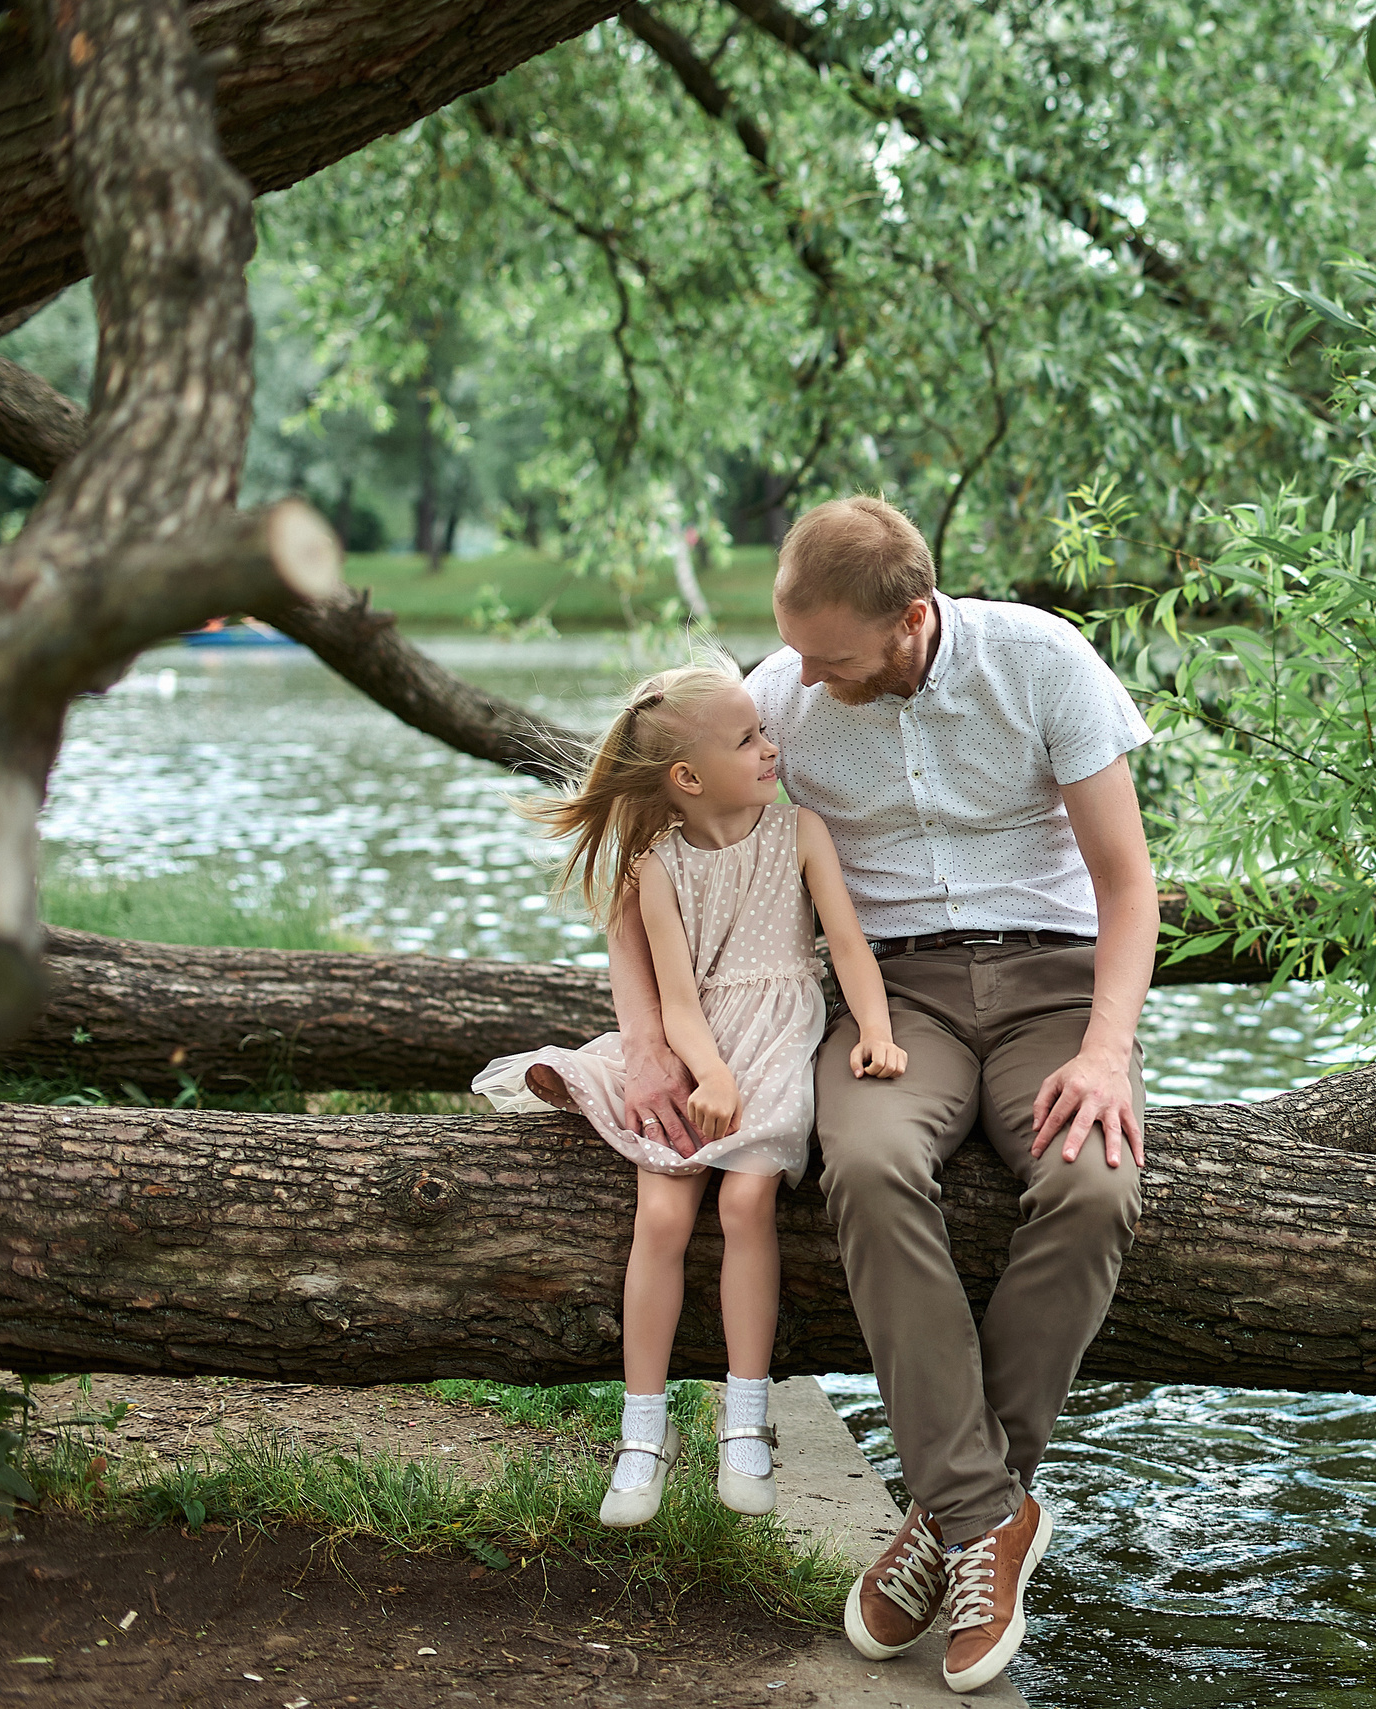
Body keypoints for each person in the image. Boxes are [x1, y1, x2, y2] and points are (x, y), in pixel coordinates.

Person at [607, 496, 1156, 1695]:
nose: (800, 683)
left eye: (829, 657)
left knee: (1092, 1180)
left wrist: (1105, 1050)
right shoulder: (780, 693)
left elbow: (1127, 882)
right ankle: (984, 1512)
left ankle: (947, 1515)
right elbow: (643, 853)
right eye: (792, 652)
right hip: (890, 1005)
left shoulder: (1041, 659)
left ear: (911, 618)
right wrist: (646, 1039)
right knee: (860, 1162)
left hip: (1054, 986)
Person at [472, 657, 907, 1527]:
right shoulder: (658, 869)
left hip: (779, 1039)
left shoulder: (801, 832)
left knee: (746, 1201)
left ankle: (746, 1416)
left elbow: (848, 946)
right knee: (663, 1215)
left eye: (764, 732)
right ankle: (643, 1431)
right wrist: (706, 1072)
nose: (771, 747)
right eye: (748, 739)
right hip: (701, 1043)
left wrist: (875, 1027)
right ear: (688, 777)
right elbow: (677, 999)